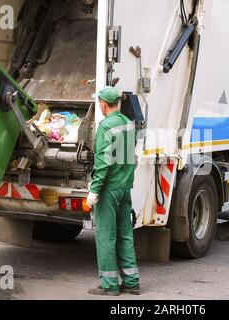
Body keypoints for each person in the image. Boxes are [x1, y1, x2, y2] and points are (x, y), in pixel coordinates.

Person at [86, 86, 140, 296]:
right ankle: (132, 281)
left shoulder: (106, 127)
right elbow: (129, 157)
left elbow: (103, 162)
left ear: (103, 103)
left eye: (99, 102)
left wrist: (95, 189)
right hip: (125, 187)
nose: (98, 105)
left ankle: (109, 285)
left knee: (106, 236)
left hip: (109, 189)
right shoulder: (128, 124)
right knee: (125, 233)